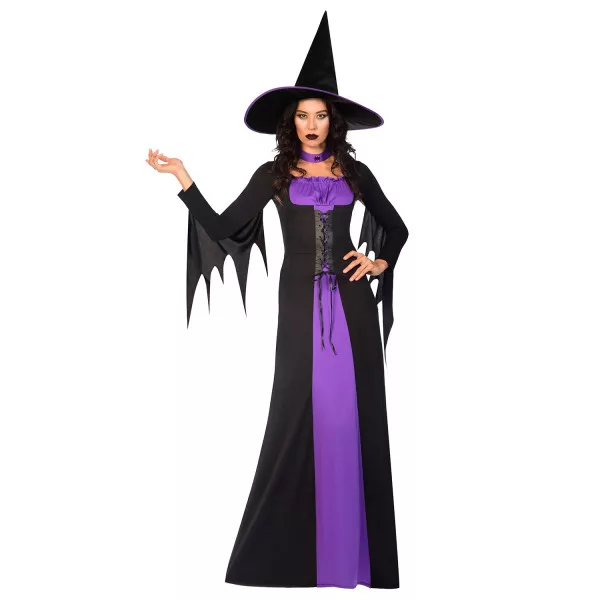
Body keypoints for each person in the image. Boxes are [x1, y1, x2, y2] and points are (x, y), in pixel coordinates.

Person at [146, 11, 409, 590]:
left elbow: (398, 228)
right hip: (297, 312)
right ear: (291, 120)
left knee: (353, 417)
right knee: (295, 413)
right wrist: (184, 179)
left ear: (334, 121)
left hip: (354, 310)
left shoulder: (355, 173)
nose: (312, 125)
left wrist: (379, 262)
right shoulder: (274, 174)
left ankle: (356, 561)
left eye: (321, 115)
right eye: (303, 115)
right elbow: (223, 227)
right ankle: (287, 558)